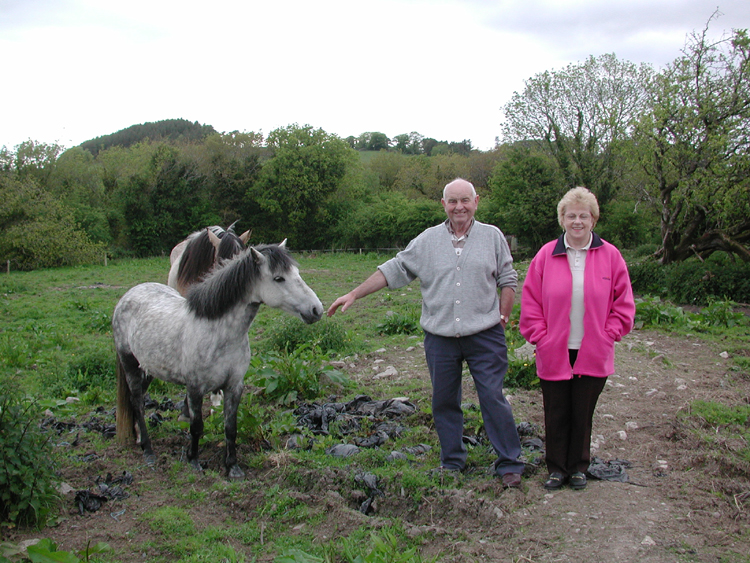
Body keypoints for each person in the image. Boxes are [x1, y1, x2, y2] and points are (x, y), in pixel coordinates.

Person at [327, 178, 525, 488]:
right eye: (452, 201)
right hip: (440, 337)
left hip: (485, 335)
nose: (459, 206)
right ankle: (453, 461)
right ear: (443, 205)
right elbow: (395, 268)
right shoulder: (428, 240)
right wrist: (354, 294)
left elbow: (508, 278)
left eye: (465, 200)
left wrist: (502, 316)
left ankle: (510, 462)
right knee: (444, 400)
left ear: (476, 202)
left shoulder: (492, 237)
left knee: (491, 396)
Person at [519, 186, 635, 491]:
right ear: (563, 219)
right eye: (571, 215)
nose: (578, 221)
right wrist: (540, 338)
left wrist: (608, 335)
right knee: (556, 411)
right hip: (555, 348)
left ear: (593, 220)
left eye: (584, 216)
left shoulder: (611, 256)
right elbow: (530, 302)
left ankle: (579, 467)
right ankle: (556, 468)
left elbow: (624, 305)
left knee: (583, 412)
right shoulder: (546, 255)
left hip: (592, 349)